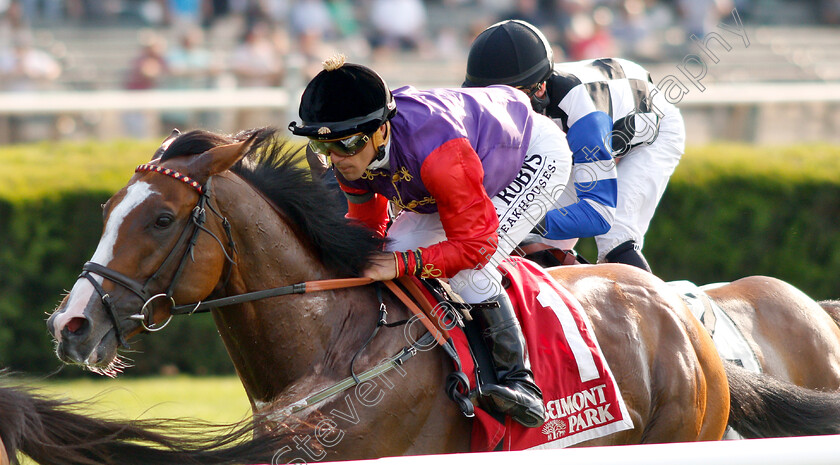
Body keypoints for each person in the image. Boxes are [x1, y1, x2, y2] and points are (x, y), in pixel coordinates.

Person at [289, 54, 574, 428]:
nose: (338, 159)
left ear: (380, 130)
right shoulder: (352, 156)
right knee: (390, 250)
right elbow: (368, 227)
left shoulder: (438, 152)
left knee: (470, 272)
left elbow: (477, 245)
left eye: (347, 146)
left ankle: (521, 383)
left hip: (531, 155)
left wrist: (403, 264)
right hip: (460, 174)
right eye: (324, 148)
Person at [463, 19, 685, 272]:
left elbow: (598, 214)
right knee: (534, 242)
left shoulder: (581, 111)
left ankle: (660, 308)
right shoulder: (531, 93)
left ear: (540, 89)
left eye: (508, 98)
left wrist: (522, 217)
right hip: (583, 131)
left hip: (652, 133)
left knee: (615, 238)